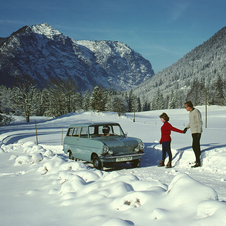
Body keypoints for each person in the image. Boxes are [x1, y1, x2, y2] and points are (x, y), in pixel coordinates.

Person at [183, 101, 203, 168]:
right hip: (193, 132)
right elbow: (191, 122)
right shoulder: (190, 113)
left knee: (195, 146)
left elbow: (199, 122)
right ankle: (197, 160)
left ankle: (198, 162)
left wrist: (199, 132)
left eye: (186, 107)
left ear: (189, 107)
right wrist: (186, 127)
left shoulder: (196, 112)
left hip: (197, 132)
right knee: (195, 146)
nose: (185, 108)